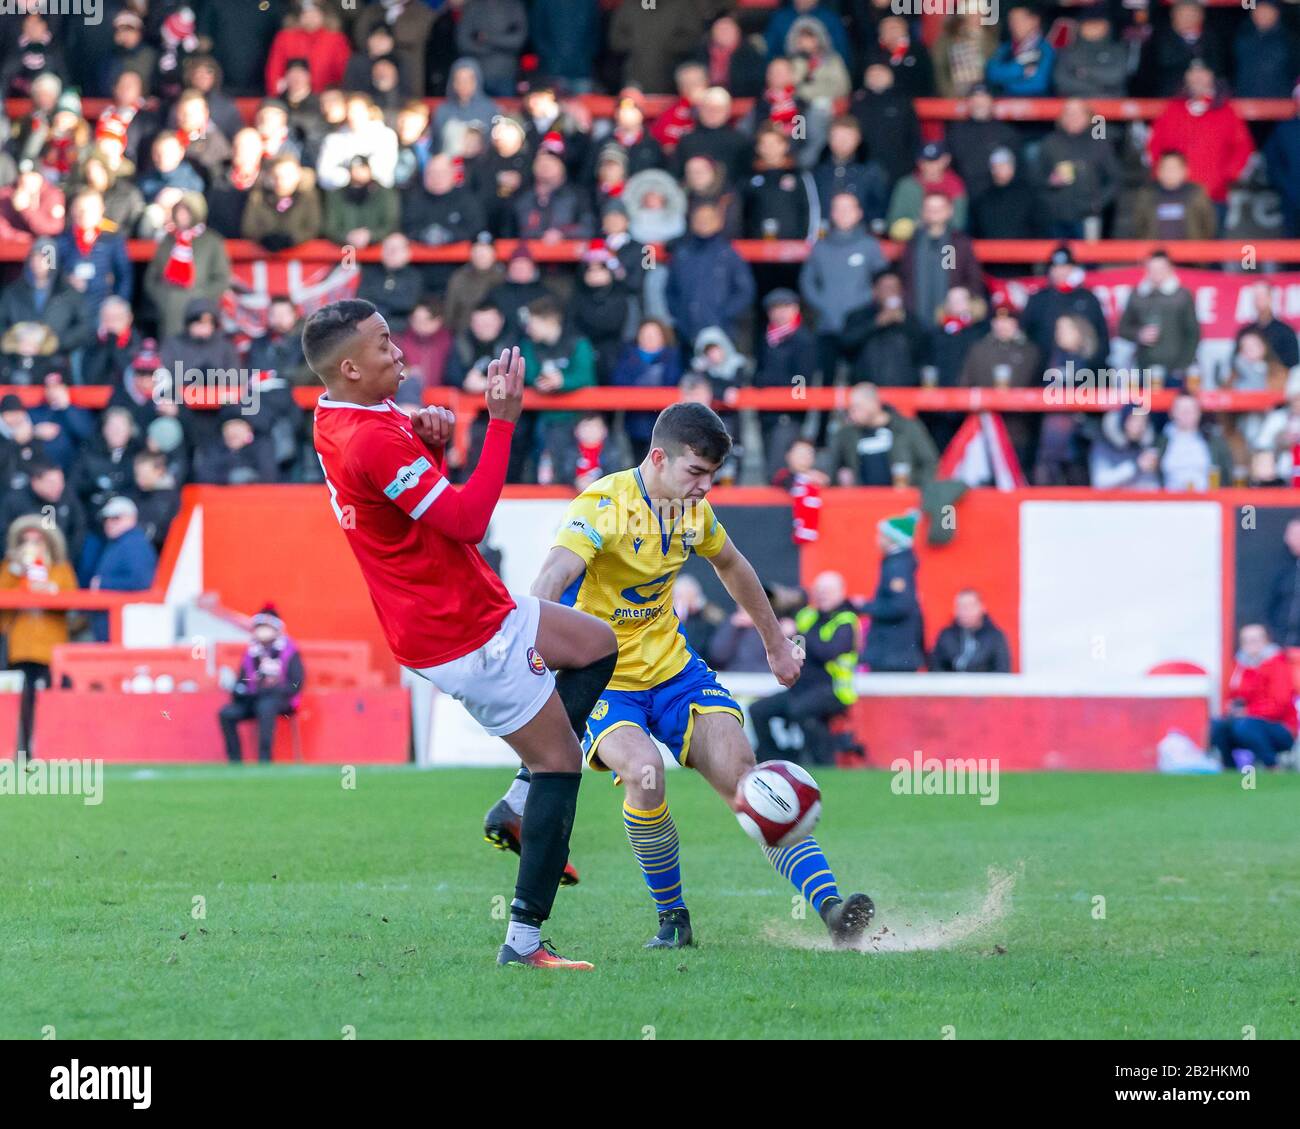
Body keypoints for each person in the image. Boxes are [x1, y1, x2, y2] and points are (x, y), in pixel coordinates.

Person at [488, 402, 876, 952]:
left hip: (676, 673)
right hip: (606, 683)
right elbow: (553, 574)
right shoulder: (603, 505)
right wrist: (534, 650)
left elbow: (734, 566)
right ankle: (673, 918)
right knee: (646, 775)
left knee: (748, 780)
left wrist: (775, 644)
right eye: (696, 473)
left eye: (713, 477)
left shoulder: (693, 511)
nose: (704, 487)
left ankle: (833, 911)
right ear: (658, 458)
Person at [305, 299, 616, 969]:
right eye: (385, 345)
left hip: (470, 604)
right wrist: (500, 424)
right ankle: (524, 942)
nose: (400, 352)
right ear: (351, 366)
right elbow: (468, 519)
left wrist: (434, 445)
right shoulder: (371, 438)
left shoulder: (339, 413)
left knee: (595, 645)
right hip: (460, 631)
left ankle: (517, 802)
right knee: (562, 763)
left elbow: (416, 503)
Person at [750, 571, 860, 767]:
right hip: (802, 689)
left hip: (833, 691)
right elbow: (796, 649)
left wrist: (798, 633)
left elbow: (829, 651)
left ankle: (823, 761)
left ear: (841, 592)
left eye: (828, 590)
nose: (822, 594)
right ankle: (776, 758)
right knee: (757, 710)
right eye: (819, 590)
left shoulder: (846, 621)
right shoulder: (808, 614)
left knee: (800, 709)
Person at [0, 517, 80, 754]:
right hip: (19, 647)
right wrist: (17, 571)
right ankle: (19, 748)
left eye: (37, 540)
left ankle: (51, 747)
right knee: (19, 700)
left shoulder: (59, 569)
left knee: (49, 699)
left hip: (50, 648)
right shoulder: (10, 569)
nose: (32, 545)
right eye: (26, 541)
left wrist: (48, 588)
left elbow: (71, 600)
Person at [219, 605, 306, 764]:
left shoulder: (289, 650)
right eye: (260, 627)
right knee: (226, 713)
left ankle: (264, 760)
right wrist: (240, 690)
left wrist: (274, 689)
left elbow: (297, 683)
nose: (262, 631)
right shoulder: (251, 652)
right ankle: (235, 761)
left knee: (266, 707)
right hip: (253, 698)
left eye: (266, 627)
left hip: (280, 699)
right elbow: (242, 681)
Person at [1210, 624, 1296, 770]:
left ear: (1266, 641)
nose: (1251, 645)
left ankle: (1272, 766)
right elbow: (1231, 695)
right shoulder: (1239, 667)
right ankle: (1229, 769)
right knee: (1218, 726)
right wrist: (1231, 708)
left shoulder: (1277, 664)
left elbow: (1280, 704)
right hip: (1245, 722)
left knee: (1246, 725)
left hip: (1280, 728)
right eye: (1246, 641)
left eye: (1255, 640)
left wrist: (1248, 712)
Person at [860, 510, 925, 672]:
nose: (877, 538)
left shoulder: (897, 566)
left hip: (892, 652)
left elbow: (900, 605)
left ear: (891, 538)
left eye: (881, 534)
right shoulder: (899, 563)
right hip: (897, 652)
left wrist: (867, 607)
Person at [88, 496, 158, 641]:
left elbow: (142, 581)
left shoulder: (134, 544)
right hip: (111, 623)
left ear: (131, 518)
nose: (109, 523)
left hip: (124, 626)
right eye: (106, 519)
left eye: (116, 518)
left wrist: (102, 584)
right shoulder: (118, 543)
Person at [930, 590, 1012, 673]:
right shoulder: (946, 636)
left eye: (970, 605)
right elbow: (936, 667)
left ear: (982, 607)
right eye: (961, 606)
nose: (965, 610)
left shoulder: (995, 637)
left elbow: (1002, 670)